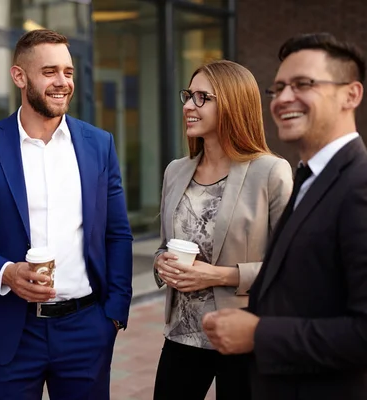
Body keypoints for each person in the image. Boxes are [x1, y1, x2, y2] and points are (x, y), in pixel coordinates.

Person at [0, 29, 133, 399]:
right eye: (50, 71)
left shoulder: (99, 144)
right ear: (20, 76)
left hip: (87, 329)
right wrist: (6, 272)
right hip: (10, 331)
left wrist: (114, 312)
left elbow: (117, 233)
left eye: (68, 72)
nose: (62, 82)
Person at [202, 33, 367, 400]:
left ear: (351, 95)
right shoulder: (309, 177)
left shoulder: (359, 186)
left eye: (303, 84)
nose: (283, 98)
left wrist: (258, 334)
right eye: (277, 88)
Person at [152, 60, 293, 400]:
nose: (188, 105)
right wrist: (161, 264)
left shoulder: (271, 172)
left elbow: (291, 269)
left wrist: (216, 275)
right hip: (182, 335)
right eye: (189, 95)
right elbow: (162, 247)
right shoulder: (175, 171)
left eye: (203, 97)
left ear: (233, 104)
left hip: (243, 335)